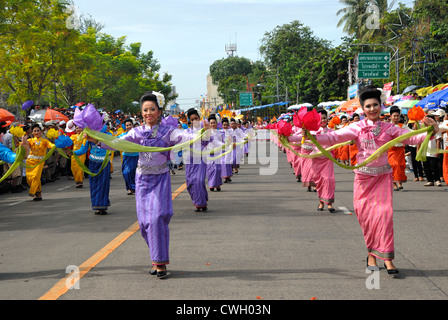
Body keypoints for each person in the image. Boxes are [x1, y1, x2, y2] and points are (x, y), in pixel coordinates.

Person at [310, 86, 439, 274]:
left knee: (384, 215)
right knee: (366, 218)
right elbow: (333, 137)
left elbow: (411, 139)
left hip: (382, 178)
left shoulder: (390, 128)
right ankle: (371, 255)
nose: (372, 109)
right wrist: (311, 135)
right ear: (363, 109)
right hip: (362, 179)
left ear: (381, 106)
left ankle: (387, 259)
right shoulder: (356, 127)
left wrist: (431, 131)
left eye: (375, 105)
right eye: (368, 106)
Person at [86, 92, 211, 278]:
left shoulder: (168, 132)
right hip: (142, 180)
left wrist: (203, 132)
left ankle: (160, 263)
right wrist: (97, 140)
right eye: (145, 110)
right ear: (141, 112)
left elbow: (185, 137)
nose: (148, 113)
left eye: (152, 109)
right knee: (145, 223)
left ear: (159, 111)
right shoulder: (137, 132)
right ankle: (155, 255)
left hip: (160, 179)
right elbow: (118, 142)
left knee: (157, 218)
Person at [73, 124, 112, 215]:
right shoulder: (88, 134)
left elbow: (111, 146)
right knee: (94, 185)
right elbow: (83, 149)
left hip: (104, 163)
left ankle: (102, 205)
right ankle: (97, 206)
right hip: (93, 163)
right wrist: (72, 152)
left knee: (103, 185)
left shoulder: (108, 135)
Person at [26, 124, 55, 201]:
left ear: (41, 131)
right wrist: (16, 139)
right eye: (34, 131)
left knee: (36, 176)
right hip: (30, 162)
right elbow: (22, 145)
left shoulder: (44, 141)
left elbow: (51, 145)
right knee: (29, 178)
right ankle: (38, 193)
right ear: (32, 133)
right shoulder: (30, 140)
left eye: (38, 130)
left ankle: (33, 191)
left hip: (39, 162)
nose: (36, 132)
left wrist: (56, 143)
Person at [387, 106, 408, 191]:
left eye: (397, 116)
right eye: (394, 116)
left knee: (400, 165)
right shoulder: (387, 126)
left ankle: (399, 181)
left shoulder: (402, 126)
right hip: (391, 149)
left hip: (400, 149)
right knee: (393, 165)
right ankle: (394, 183)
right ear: (390, 116)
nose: (396, 117)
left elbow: (410, 132)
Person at [118, 118, 139, 195]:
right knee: (125, 173)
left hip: (135, 156)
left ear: (132, 125)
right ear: (125, 126)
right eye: (127, 125)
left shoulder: (137, 134)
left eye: (130, 125)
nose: (129, 126)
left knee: (132, 172)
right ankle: (130, 188)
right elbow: (115, 140)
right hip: (126, 156)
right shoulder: (123, 135)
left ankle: (134, 187)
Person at [205, 114, 223, 192]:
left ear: (216, 123)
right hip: (209, 153)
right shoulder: (207, 132)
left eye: (214, 123)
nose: (212, 124)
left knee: (218, 169)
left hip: (217, 153)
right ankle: (211, 185)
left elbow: (221, 142)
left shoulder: (219, 133)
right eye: (211, 123)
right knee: (210, 169)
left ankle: (218, 184)